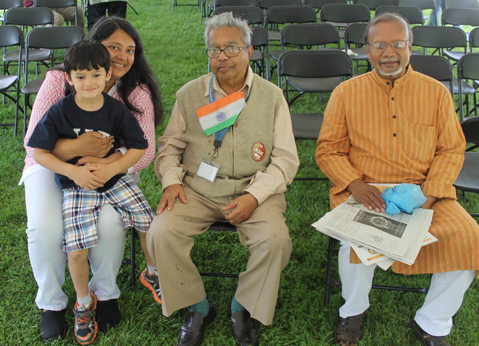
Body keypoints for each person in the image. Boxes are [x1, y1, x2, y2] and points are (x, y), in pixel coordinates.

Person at [315, 13, 479, 346]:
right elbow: (328, 150)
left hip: (426, 191)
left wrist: (429, 195)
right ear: (366, 50)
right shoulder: (345, 93)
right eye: (380, 45)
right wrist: (355, 184)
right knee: (354, 242)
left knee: (469, 239)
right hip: (365, 189)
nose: (389, 53)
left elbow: (451, 151)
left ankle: (432, 320)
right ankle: (353, 310)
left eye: (397, 44)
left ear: (410, 47)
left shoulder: (436, 94)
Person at [147, 12, 299, 346]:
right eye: (214, 50)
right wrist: (172, 180)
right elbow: (169, 147)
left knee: (276, 240)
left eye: (231, 48)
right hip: (198, 190)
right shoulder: (190, 95)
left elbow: (286, 159)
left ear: (248, 51)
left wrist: (255, 196)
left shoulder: (272, 96)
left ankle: (242, 305)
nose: (222, 57)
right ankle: (197, 305)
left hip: (252, 187)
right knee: (160, 232)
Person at [21, 16, 164, 342]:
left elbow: (144, 150)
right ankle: (52, 303)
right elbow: (33, 140)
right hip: (50, 165)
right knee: (45, 228)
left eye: (130, 50)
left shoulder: (135, 91)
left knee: (109, 225)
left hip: (114, 171)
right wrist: (75, 154)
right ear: (93, 44)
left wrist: (107, 166)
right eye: (114, 46)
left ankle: (106, 294)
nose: (122, 56)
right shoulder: (61, 80)